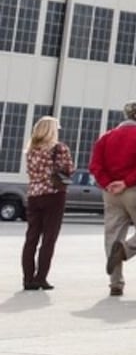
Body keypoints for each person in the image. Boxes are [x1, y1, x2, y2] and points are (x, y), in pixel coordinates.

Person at [91, 101, 136, 297]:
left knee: (112, 234)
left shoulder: (106, 137)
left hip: (111, 192)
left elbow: (95, 166)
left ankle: (115, 283)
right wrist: (127, 182)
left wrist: (108, 183)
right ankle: (125, 249)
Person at [21, 115, 73, 290]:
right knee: (49, 238)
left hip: (33, 195)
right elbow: (68, 170)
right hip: (53, 194)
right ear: (52, 130)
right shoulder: (59, 148)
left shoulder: (30, 150)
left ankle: (27, 279)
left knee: (31, 238)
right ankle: (40, 278)